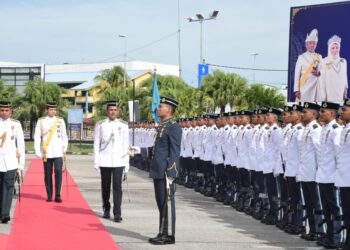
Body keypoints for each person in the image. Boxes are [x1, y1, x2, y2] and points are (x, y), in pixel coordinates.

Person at [149, 96, 182, 245]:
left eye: (161, 106)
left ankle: (166, 234)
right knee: (160, 203)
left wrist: (172, 172)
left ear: (169, 110)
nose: (158, 108)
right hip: (158, 169)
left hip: (165, 171)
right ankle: (163, 232)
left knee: (165, 203)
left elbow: (175, 152)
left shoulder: (174, 127)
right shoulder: (162, 126)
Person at [93, 101, 129, 223]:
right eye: (111, 110)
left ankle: (117, 213)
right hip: (105, 160)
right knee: (106, 186)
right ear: (107, 111)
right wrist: (96, 162)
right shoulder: (101, 125)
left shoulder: (124, 125)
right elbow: (96, 144)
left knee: (118, 187)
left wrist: (126, 163)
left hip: (119, 160)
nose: (113, 112)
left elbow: (126, 145)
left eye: (115, 110)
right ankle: (106, 209)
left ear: (118, 111)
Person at [315, 101, 342, 248]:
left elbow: (339, 155)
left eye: (324, 111)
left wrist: (338, 175)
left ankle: (336, 237)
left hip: (332, 176)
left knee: (335, 208)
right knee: (326, 209)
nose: (321, 113)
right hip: (323, 175)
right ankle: (329, 235)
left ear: (331, 113)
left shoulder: (336, 130)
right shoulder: (324, 129)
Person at [34, 102, 68, 203]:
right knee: (47, 174)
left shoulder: (60, 121)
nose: (53, 111)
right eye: (51, 109)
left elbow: (64, 135)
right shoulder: (41, 121)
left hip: (58, 151)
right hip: (46, 152)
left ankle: (57, 195)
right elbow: (37, 136)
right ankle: (49, 195)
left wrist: (64, 148)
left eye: (54, 110)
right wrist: (37, 150)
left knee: (58, 172)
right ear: (46, 110)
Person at [0, 101, 25, 223]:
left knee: (9, 187)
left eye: (6, 110)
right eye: (2, 110)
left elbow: (20, 144)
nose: (4, 113)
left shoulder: (16, 124)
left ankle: (5, 214)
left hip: (11, 162)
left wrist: (21, 165)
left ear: (10, 112)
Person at [335, 99, 350, 250]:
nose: (341, 112)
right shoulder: (345, 129)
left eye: (345, 109)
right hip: (344, 177)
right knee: (346, 211)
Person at [294, 28, 322, 102]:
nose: (312, 45)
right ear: (306, 44)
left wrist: (319, 73)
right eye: (310, 43)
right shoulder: (301, 57)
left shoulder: (319, 56)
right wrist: (296, 89)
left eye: (314, 43)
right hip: (304, 88)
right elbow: (297, 74)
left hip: (316, 88)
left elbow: (323, 71)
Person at [318, 35, 348, 102]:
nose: (335, 50)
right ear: (329, 48)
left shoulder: (343, 61)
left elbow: (344, 77)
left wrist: (345, 92)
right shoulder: (324, 61)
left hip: (340, 95)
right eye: (333, 48)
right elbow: (322, 81)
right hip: (329, 96)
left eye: (337, 48)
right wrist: (324, 98)